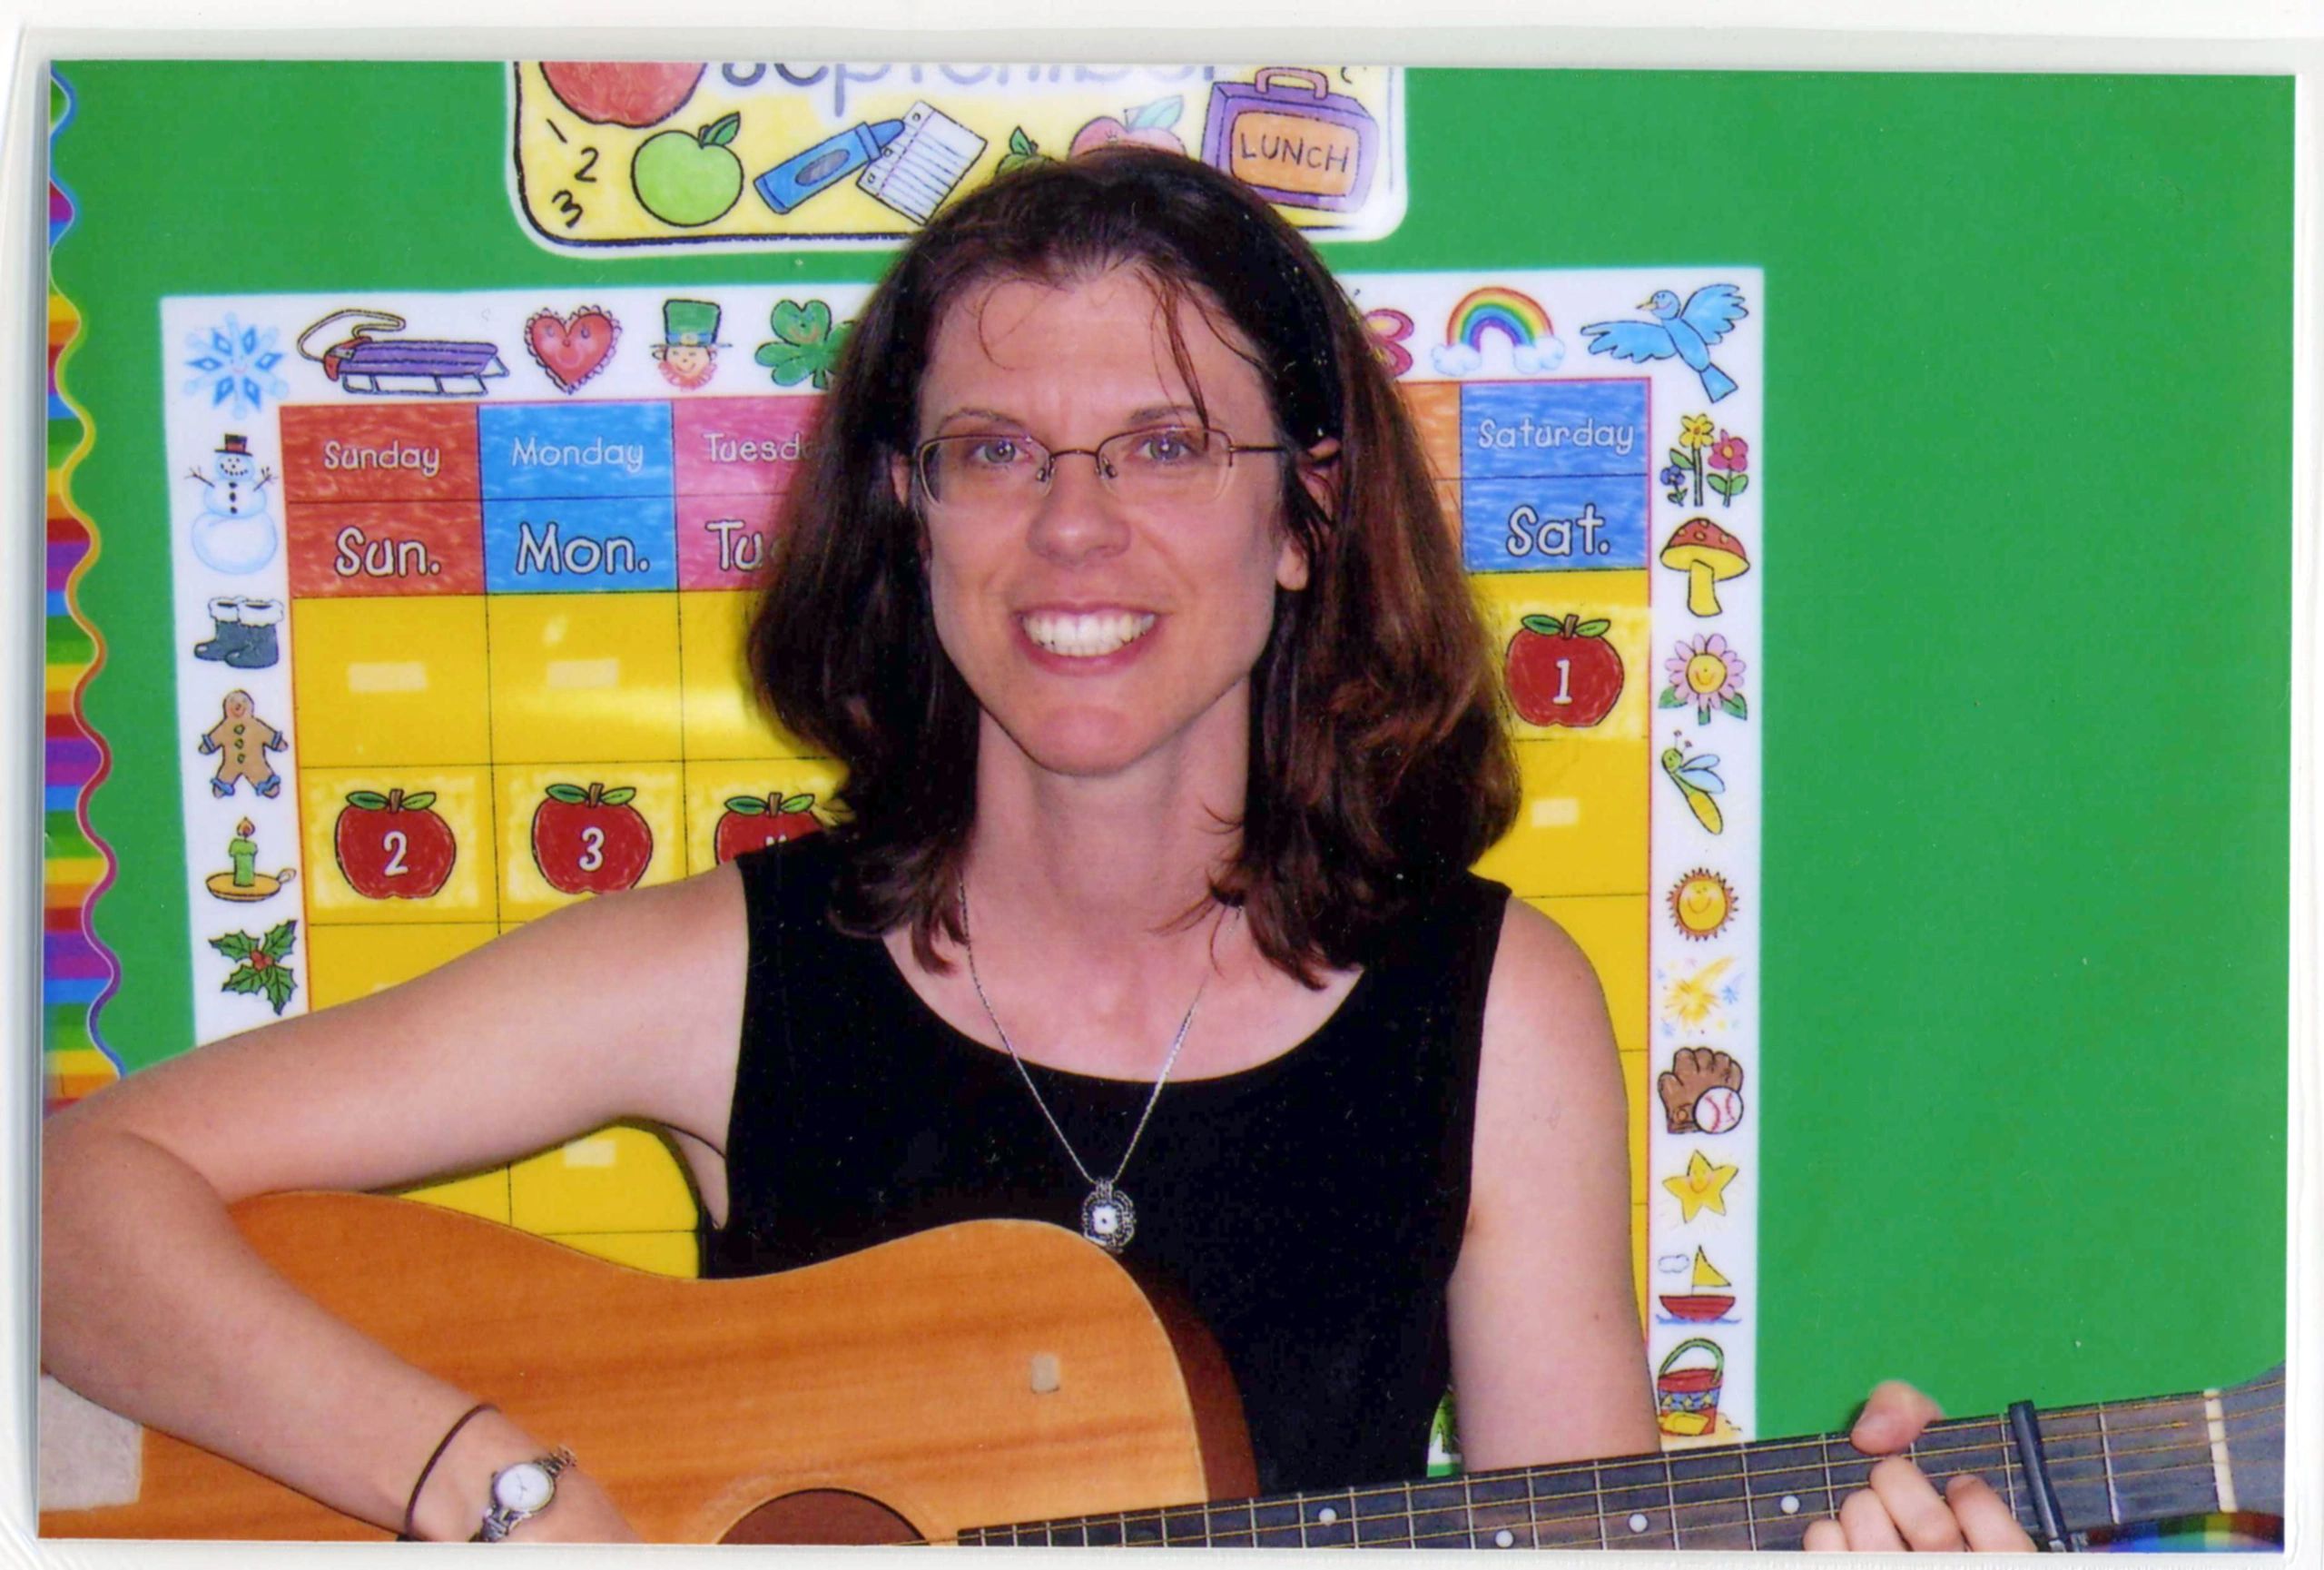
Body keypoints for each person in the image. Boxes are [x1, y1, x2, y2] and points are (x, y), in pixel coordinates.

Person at [41, 145, 2031, 1551]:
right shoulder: (731, 970)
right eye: (996, 452)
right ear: (910, 515)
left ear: (1303, 514)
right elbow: (70, 1197)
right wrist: (496, 1488)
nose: (1072, 530)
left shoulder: (1490, 1008)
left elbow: (1579, 1542)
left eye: (1165, 446)